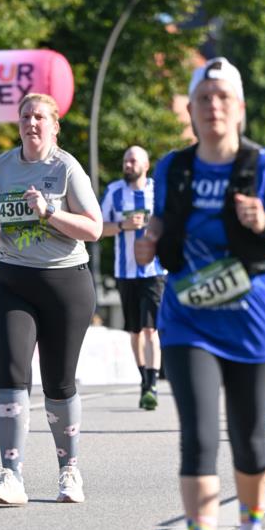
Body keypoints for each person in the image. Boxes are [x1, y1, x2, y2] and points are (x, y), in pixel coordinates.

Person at [135, 57, 265, 530]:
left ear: (238, 109)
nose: (213, 106)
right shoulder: (175, 168)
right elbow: (162, 221)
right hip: (189, 320)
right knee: (197, 438)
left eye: (223, 97)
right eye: (203, 98)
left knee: (249, 443)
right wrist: (151, 238)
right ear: (191, 110)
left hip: (255, 324)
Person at [0, 92, 102, 506]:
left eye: (40, 117)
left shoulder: (66, 168)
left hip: (66, 285)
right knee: (11, 374)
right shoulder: (1, 166)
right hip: (12, 280)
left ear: (54, 124)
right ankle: (11, 474)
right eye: (26, 116)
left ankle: (69, 470)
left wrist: (49, 212)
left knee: (58, 381)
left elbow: (94, 228)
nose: (32, 123)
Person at [100, 146, 165, 409]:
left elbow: (172, 224)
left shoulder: (158, 191)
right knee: (135, 331)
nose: (128, 164)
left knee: (151, 329)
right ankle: (143, 379)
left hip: (155, 271)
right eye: (126, 160)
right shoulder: (114, 191)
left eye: (133, 160)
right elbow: (98, 228)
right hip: (125, 272)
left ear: (146, 165)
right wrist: (123, 226)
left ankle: (152, 384)